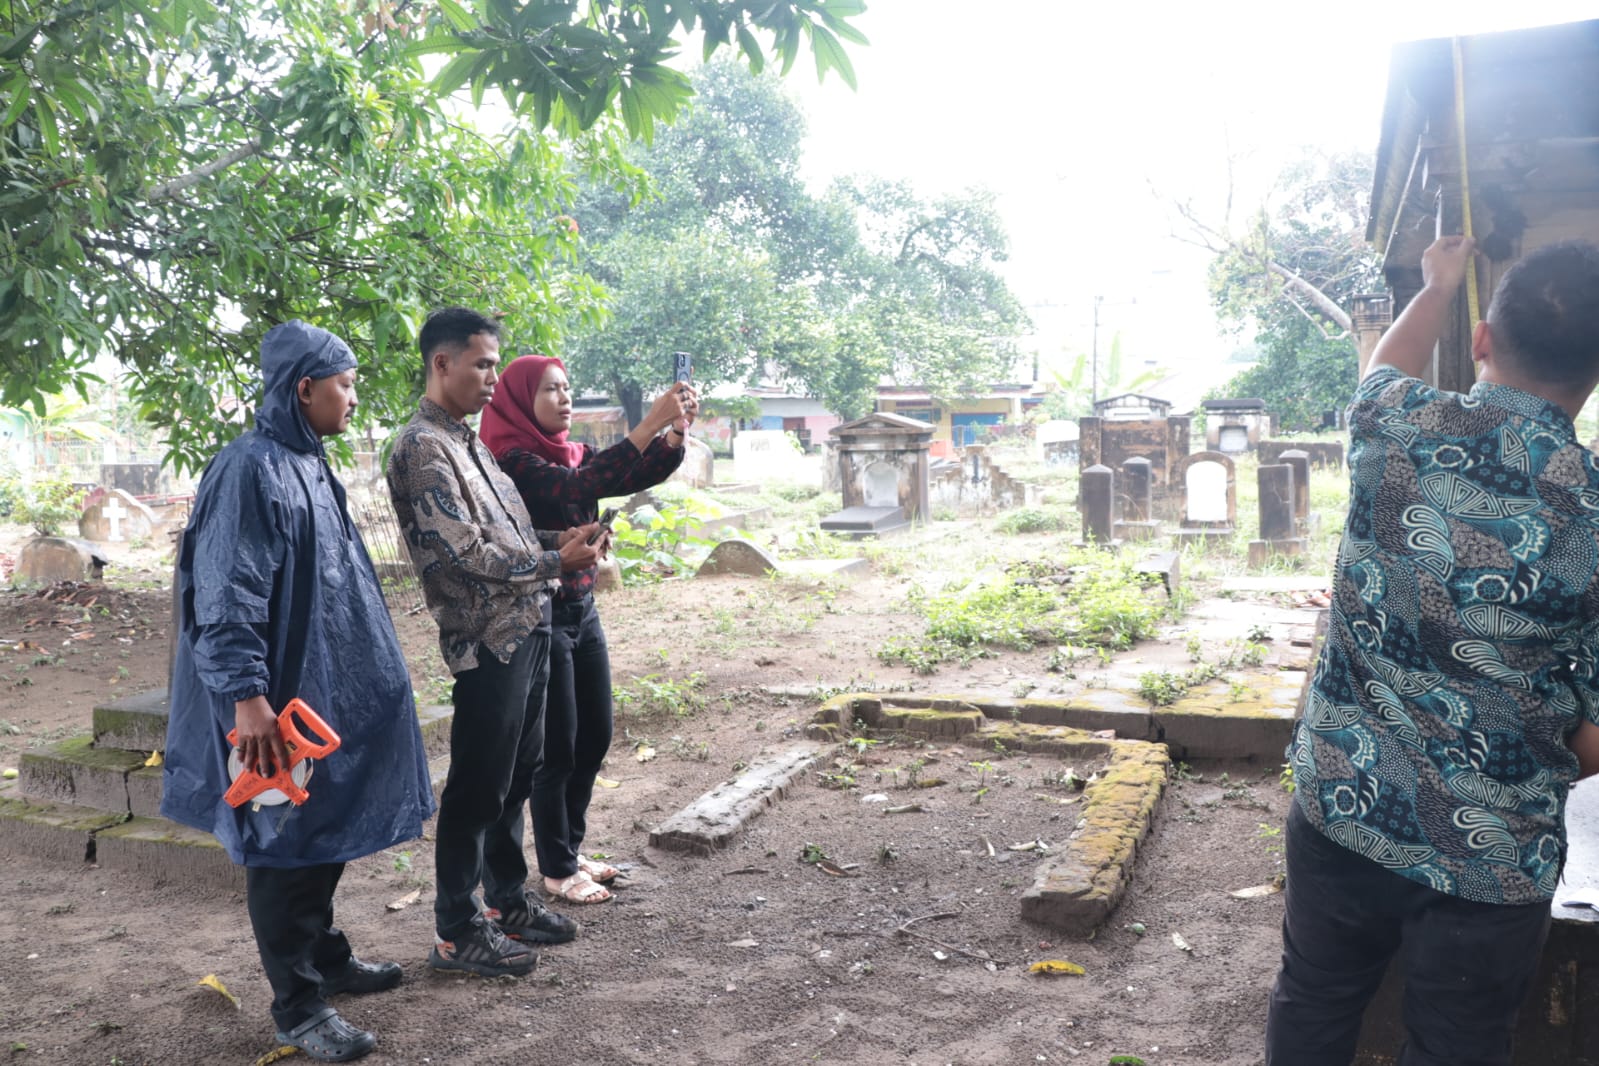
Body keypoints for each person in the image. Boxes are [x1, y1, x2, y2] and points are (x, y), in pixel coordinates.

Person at [1265, 236, 1599, 1066]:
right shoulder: (1590, 513)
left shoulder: (1396, 422)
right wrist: (1522, 757)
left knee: (1313, 996)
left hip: (1344, 800)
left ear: (1483, 341)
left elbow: (1385, 360)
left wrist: (1436, 286)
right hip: (1493, 849)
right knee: (1458, 1045)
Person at [162, 321, 435, 1062]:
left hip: (320, 692)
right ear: (304, 388)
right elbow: (224, 593)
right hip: (269, 707)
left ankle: (327, 960)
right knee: (280, 846)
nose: (353, 396)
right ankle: (299, 1007)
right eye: (344, 383)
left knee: (319, 836)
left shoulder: (306, 461)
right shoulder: (248, 468)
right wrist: (247, 697)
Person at [386, 308, 601, 978]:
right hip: (486, 642)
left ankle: (506, 903)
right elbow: (462, 554)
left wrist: (558, 545)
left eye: (493, 365)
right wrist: (552, 564)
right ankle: (456, 930)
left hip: (526, 627)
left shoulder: (468, 442)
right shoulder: (423, 448)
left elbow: (505, 538)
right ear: (441, 363)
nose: (490, 378)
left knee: (515, 779)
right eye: (480, 364)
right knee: (478, 788)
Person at [480, 355, 697, 903]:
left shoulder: (571, 451)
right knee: (558, 747)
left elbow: (633, 473)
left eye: (569, 388)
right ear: (520, 400)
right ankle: (555, 867)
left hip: (582, 609)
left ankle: (570, 849)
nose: (565, 398)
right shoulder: (512, 460)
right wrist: (648, 422)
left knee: (595, 735)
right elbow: (578, 484)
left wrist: (674, 431)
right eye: (551, 390)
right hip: (540, 616)